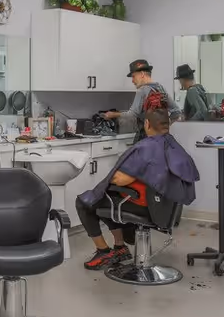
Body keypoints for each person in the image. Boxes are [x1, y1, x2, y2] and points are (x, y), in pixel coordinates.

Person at [76, 93, 200, 270]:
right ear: (168, 126)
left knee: (87, 201)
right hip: (165, 208)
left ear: (147, 124)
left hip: (146, 208)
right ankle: (119, 247)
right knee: (109, 197)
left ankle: (103, 251)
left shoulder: (146, 148)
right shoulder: (175, 147)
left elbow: (120, 179)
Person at [105, 59, 182, 138]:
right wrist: (164, 126)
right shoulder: (161, 88)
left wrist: (113, 114)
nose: (132, 80)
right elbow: (176, 112)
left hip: (145, 136)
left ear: (142, 74)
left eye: (133, 76)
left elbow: (132, 115)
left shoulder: (143, 90)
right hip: (162, 137)